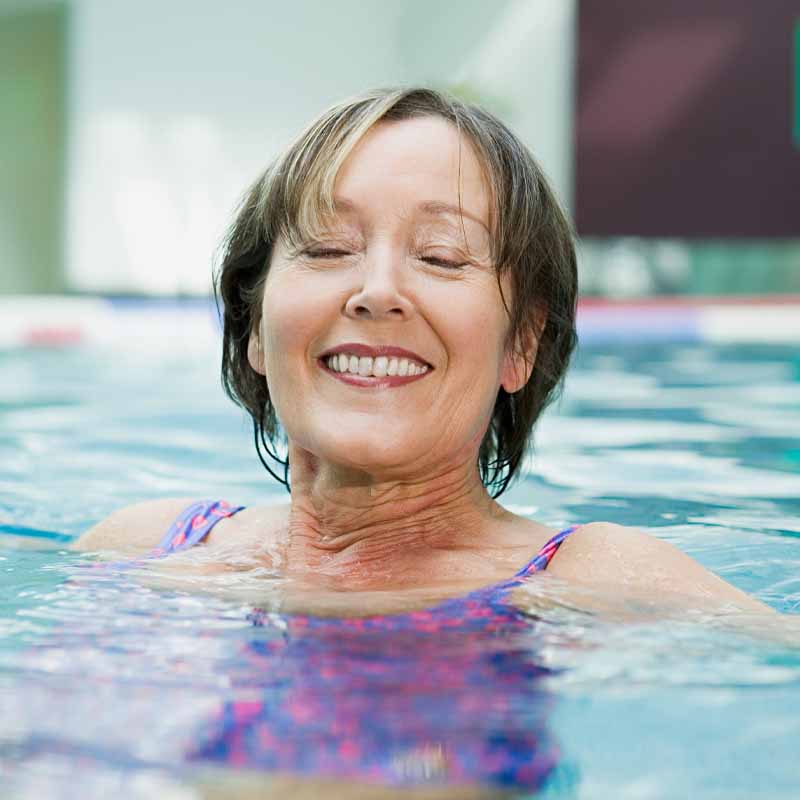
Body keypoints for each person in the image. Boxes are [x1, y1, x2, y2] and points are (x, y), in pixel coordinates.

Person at [75, 86, 771, 618]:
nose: (378, 292)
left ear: (521, 344)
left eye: (441, 256)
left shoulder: (594, 580)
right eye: (327, 249)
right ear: (253, 325)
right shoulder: (145, 550)